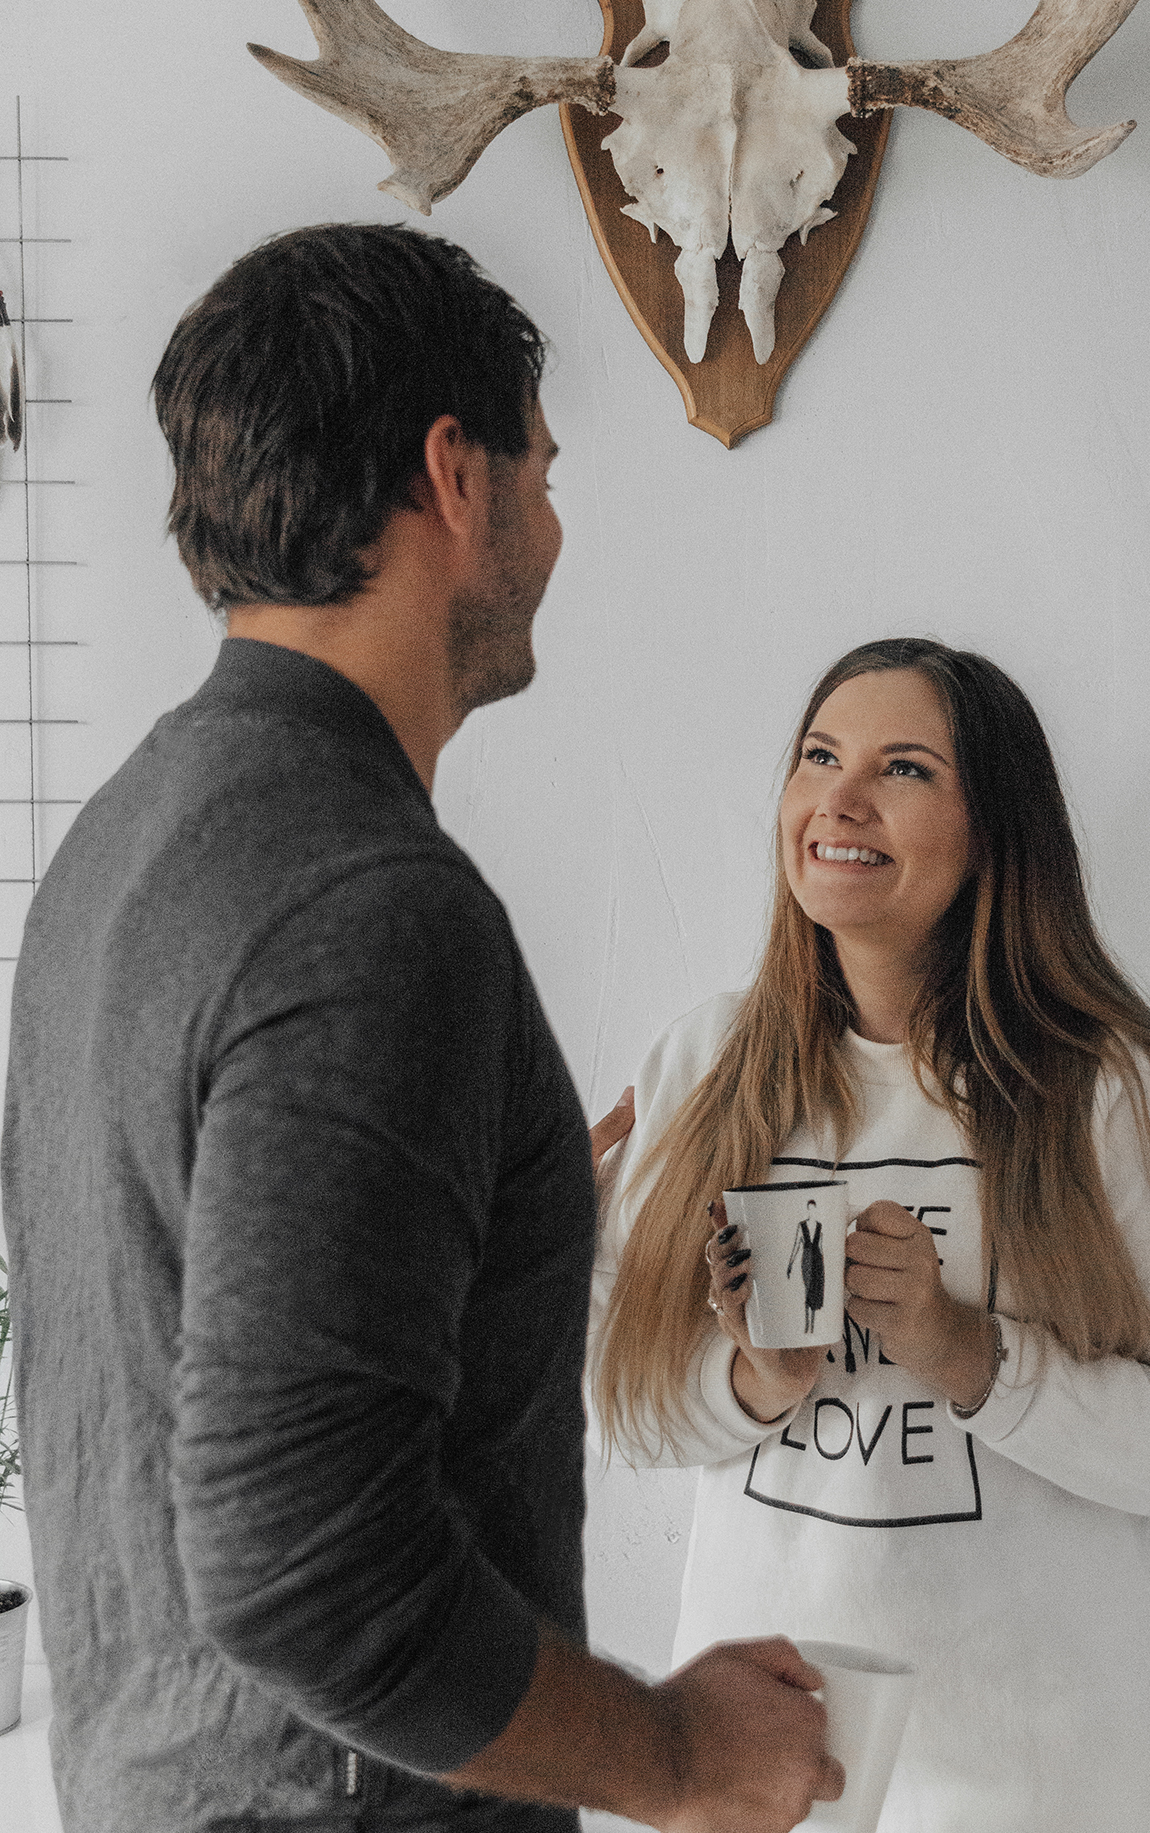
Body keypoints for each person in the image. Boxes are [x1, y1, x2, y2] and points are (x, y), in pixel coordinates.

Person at [0, 223, 841, 1833]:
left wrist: (503, 1225)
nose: (556, 525)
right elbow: (303, 1567)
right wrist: (675, 1752)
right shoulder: (375, 907)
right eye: (543, 470)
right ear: (457, 479)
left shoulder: (120, 845)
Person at [591, 638, 1150, 1831]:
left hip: (1051, 1782)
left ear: (994, 830)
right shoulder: (704, 1065)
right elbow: (621, 1411)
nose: (840, 800)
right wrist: (756, 1379)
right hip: (766, 1765)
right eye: (818, 757)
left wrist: (973, 1358)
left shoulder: (1109, 1091)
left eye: (903, 768)